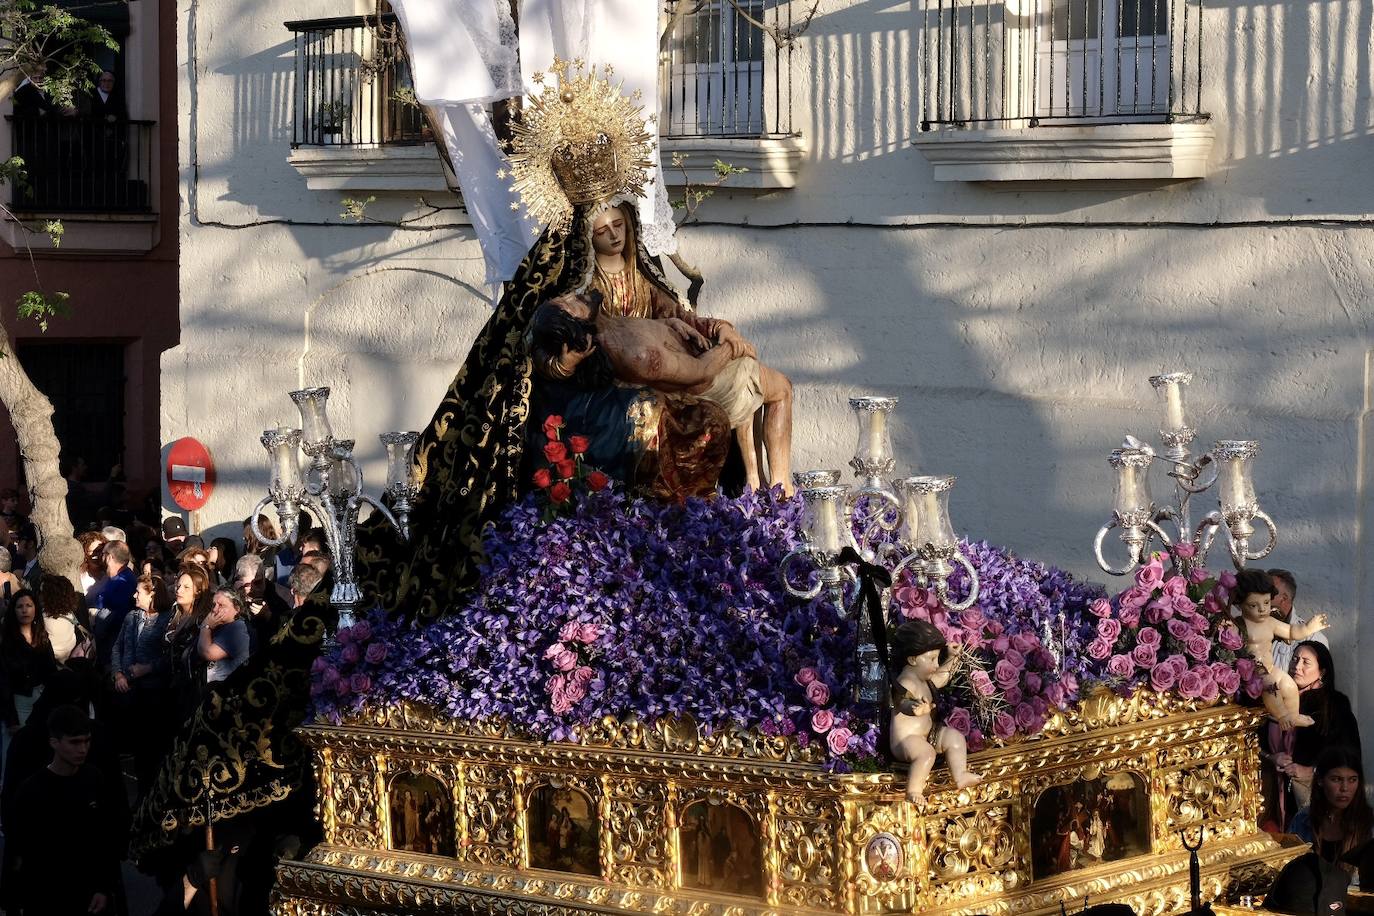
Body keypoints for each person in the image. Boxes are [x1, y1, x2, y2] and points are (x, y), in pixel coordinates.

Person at [535, 291, 794, 495]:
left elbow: (663, 321)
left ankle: (761, 484)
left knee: (769, 384)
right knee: (782, 388)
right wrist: (732, 346)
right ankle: (782, 489)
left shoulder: (609, 320)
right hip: (710, 381)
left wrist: (673, 325)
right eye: (570, 304)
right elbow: (700, 371)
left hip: (707, 359)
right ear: (578, 327)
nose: (574, 294)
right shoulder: (635, 354)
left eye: (619, 227)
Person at [4, 706, 125, 916]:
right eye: (75, 742)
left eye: (87, 741)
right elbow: (21, 850)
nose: (82, 749)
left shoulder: (94, 779)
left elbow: (105, 838)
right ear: (54, 742)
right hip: (49, 897)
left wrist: (103, 887)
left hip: (90, 895)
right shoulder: (31, 792)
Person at [1265, 641, 1363, 826]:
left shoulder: (1334, 705)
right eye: (1295, 660)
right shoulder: (1277, 699)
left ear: (1322, 671)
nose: (1297, 667)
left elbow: (1348, 752)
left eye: (1306, 662)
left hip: (1313, 796)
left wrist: (1311, 771)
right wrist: (1272, 757)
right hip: (1277, 794)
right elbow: (1258, 740)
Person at [888, 619, 983, 805]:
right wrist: (914, 708)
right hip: (906, 741)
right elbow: (901, 701)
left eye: (937, 658)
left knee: (954, 737)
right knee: (926, 753)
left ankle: (960, 774)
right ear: (913, 659)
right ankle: (914, 790)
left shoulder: (925, 680)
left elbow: (942, 677)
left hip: (927, 735)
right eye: (932, 659)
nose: (935, 665)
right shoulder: (906, 682)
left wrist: (953, 657)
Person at [1232, 568, 1328, 729]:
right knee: (1271, 686)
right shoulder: (1239, 624)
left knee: (1289, 685)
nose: (1262, 609)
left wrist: (1308, 627)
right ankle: (1283, 716)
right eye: (1254, 605)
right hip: (1253, 670)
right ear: (1241, 604)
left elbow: (1291, 631)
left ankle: (1294, 715)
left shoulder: (1271, 622)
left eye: (1266, 603)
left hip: (1270, 667)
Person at [111, 573, 175, 798]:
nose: (134, 595)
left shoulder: (168, 618)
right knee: (136, 748)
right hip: (129, 690)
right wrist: (118, 674)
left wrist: (147, 668)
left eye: (139, 592)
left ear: (153, 594)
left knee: (152, 748)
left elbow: (171, 657)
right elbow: (117, 647)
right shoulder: (131, 617)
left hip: (154, 693)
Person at [1290, 746, 1374, 868]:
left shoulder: (1369, 823)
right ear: (1320, 780)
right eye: (1336, 779)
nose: (1344, 788)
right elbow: (1288, 868)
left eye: (1352, 780)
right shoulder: (1303, 820)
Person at [0, 590, 57, 768]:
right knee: (16, 753)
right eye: (20, 606)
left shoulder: (42, 637)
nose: (24, 610)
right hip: (18, 701)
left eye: (29, 606)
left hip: (42, 699)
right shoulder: (7, 642)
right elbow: (3, 680)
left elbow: (51, 671)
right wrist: (11, 718)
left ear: (35, 609)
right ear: (13, 611)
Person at [1267, 569, 1329, 677]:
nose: (1261, 596)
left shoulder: (1312, 639)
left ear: (1284, 598)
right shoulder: (1248, 628)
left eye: (1267, 592)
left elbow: (1316, 686)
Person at [91, 539, 137, 669]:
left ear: (110, 557)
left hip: (114, 645)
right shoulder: (114, 577)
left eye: (103, 553)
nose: (101, 557)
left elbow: (113, 612)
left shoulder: (124, 581)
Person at [199, 588, 251, 683]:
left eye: (221, 605)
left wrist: (205, 626)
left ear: (237, 609)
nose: (215, 609)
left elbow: (208, 653)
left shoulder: (238, 628)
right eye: (214, 605)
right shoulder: (218, 627)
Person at [38, 573, 89, 665]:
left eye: (42, 592)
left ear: (50, 597)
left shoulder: (44, 620)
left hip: (56, 666)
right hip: (71, 660)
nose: (39, 595)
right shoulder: (69, 613)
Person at [78, 529, 109, 602]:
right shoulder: (80, 577)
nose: (97, 556)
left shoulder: (110, 573)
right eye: (93, 552)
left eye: (99, 551)